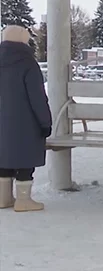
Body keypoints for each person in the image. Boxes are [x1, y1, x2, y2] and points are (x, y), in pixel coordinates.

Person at [0, 25, 52, 212]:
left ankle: (3, 198)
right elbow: (37, 97)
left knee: (3, 157)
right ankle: (23, 200)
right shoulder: (27, 63)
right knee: (24, 160)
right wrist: (45, 123)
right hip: (25, 123)